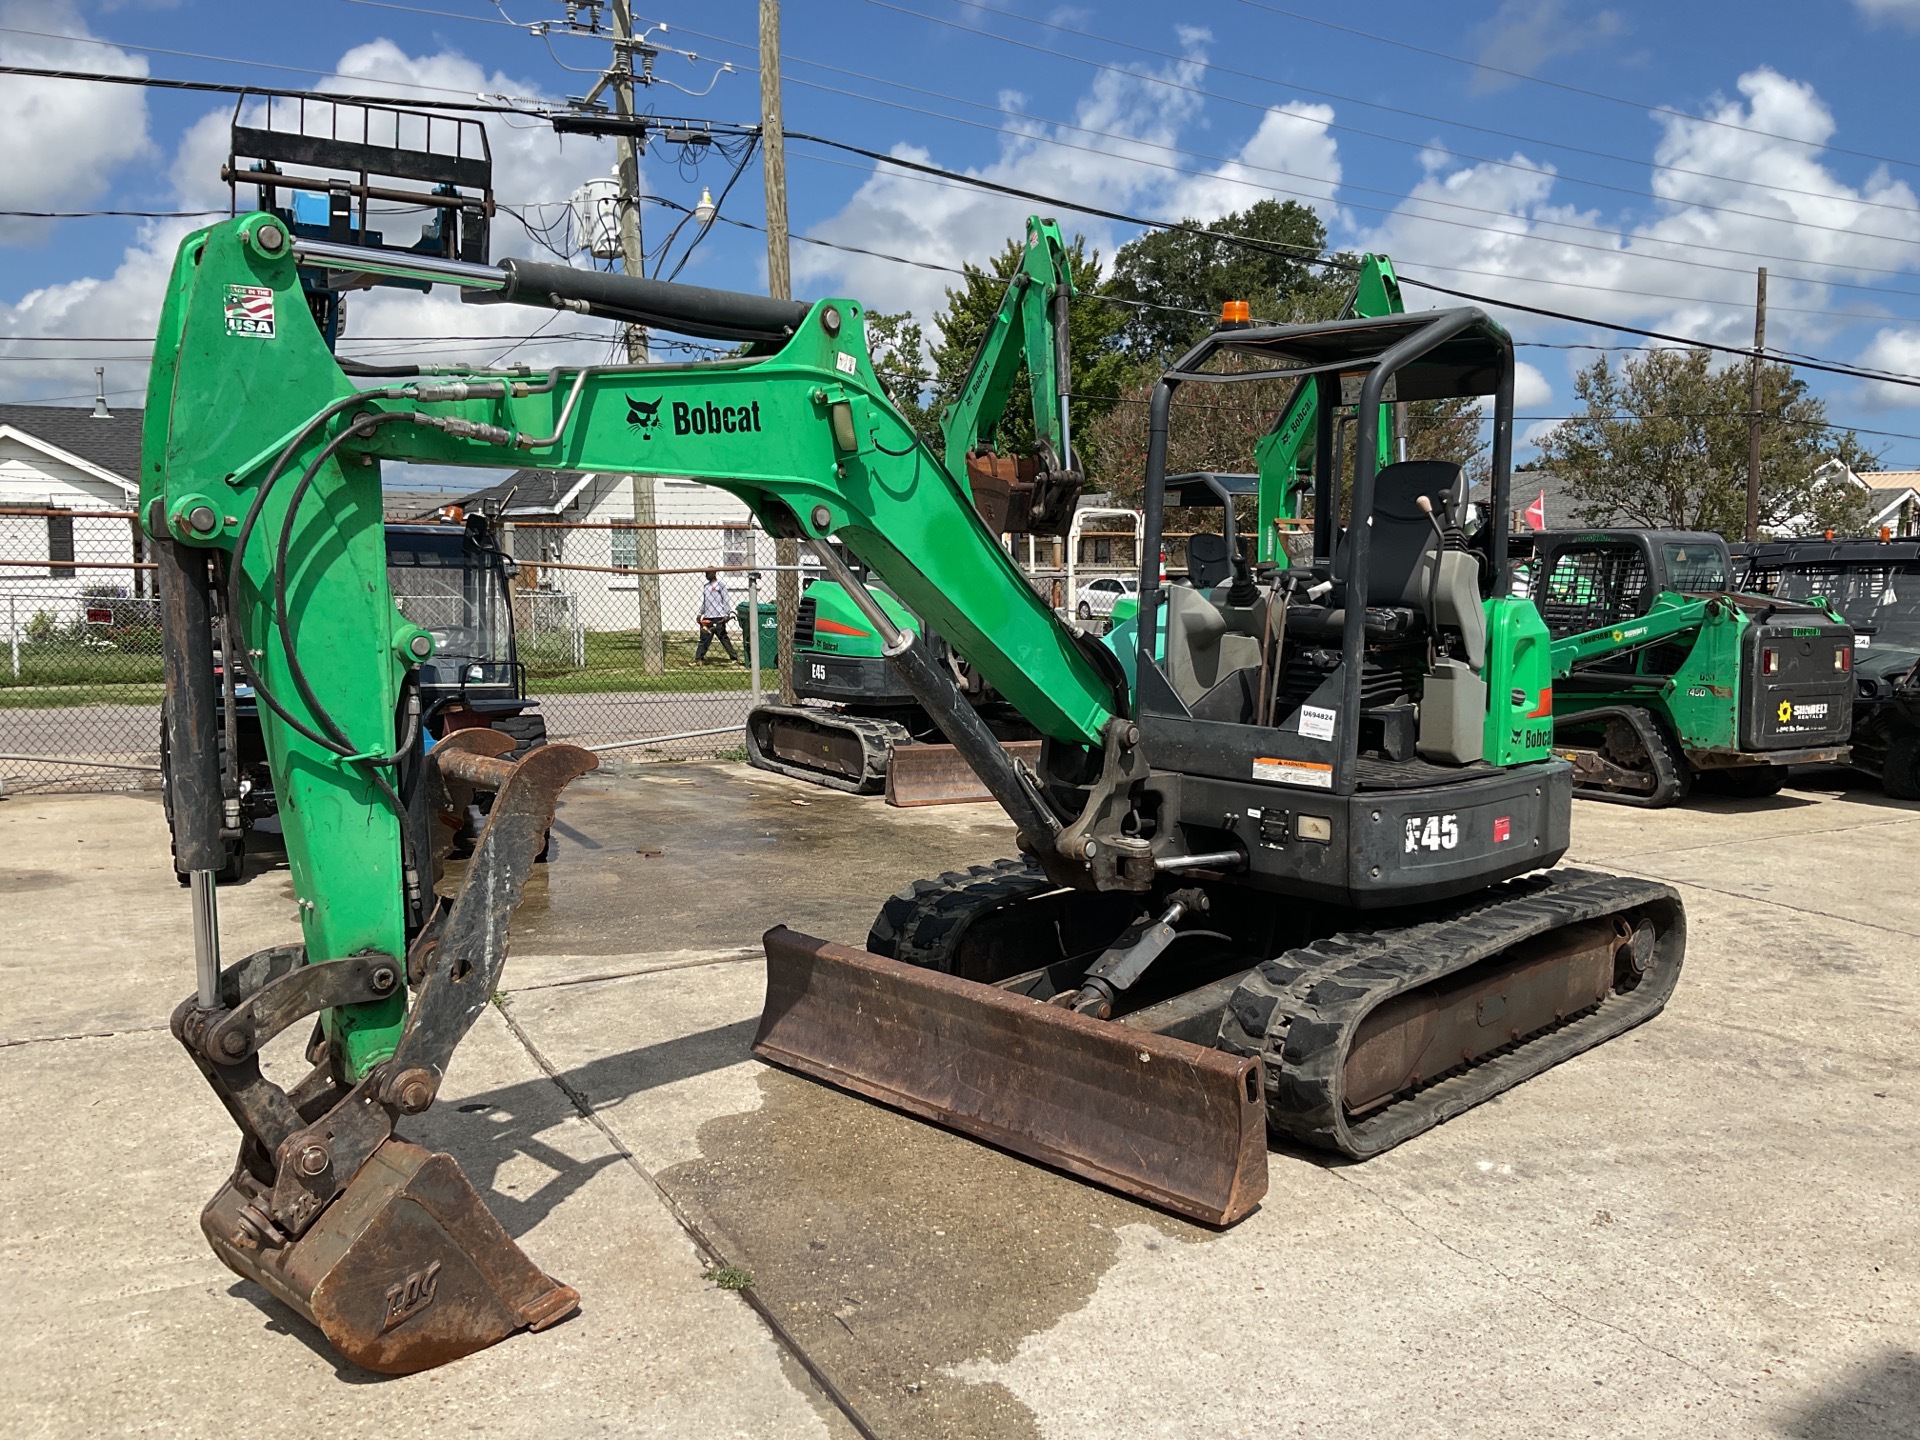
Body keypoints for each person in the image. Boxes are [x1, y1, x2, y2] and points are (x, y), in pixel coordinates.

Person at [693, 568, 740, 662]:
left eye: (708, 573)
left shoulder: (720, 585)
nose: (706, 575)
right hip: (707, 617)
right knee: (704, 637)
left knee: (723, 637)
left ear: (714, 573)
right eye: (705, 573)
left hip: (719, 616)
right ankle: (699, 658)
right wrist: (700, 613)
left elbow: (725, 599)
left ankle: (733, 657)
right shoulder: (706, 586)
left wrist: (727, 614)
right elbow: (705, 602)